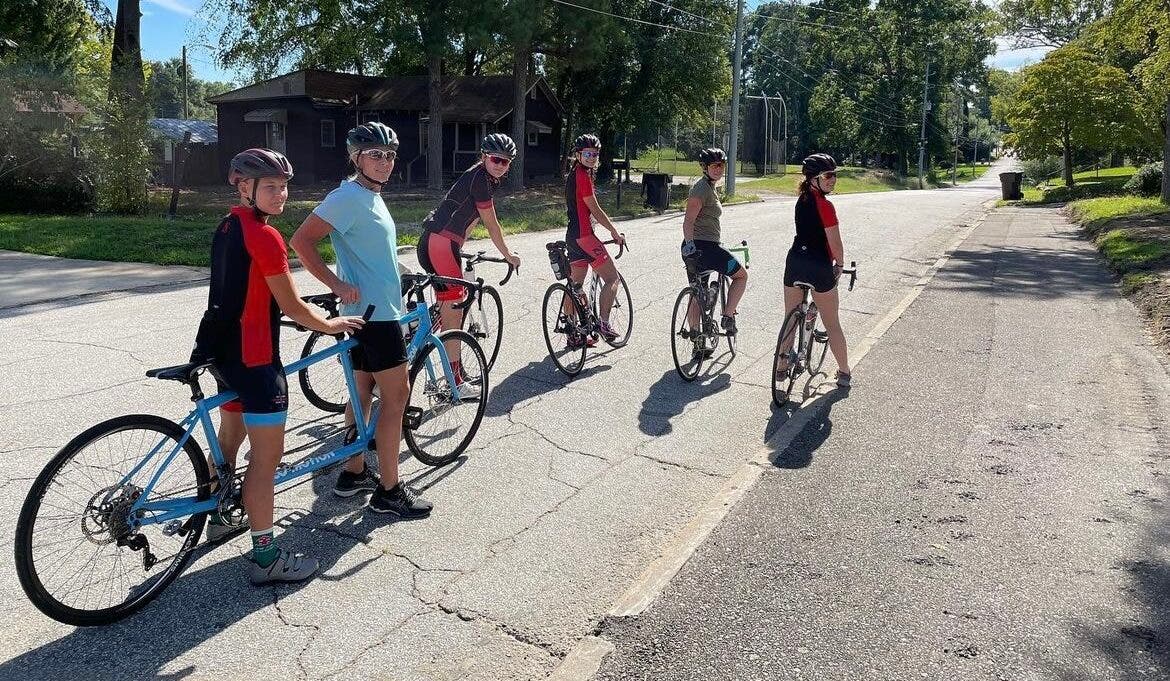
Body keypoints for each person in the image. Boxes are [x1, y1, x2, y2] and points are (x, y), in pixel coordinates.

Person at [192, 148, 365, 584]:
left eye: (284, 186)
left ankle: (218, 515)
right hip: (256, 360)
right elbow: (290, 303)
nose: (281, 194)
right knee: (266, 459)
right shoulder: (264, 236)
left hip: (222, 353)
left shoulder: (229, 225)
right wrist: (330, 324)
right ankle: (267, 559)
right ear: (244, 188)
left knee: (229, 442)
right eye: (270, 186)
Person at [290, 122, 433, 517]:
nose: (385, 162)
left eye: (389, 155)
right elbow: (301, 241)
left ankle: (353, 471)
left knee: (362, 393)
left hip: (374, 311)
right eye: (375, 155)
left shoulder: (370, 196)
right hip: (375, 317)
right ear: (356, 158)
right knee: (397, 397)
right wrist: (336, 284)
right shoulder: (348, 197)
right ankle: (389, 490)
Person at [417, 133, 522, 378]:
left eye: (505, 162)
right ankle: (454, 379)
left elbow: (467, 218)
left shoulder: (479, 176)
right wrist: (507, 254)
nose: (499, 165)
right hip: (441, 244)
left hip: (440, 243)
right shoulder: (480, 180)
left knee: (447, 305)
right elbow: (491, 224)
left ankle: (411, 345)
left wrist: (459, 248)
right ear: (484, 157)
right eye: (495, 159)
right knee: (454, 312)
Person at [780, 153, 851, 387]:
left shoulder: (801, 200)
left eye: (834, 175)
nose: (833, 180)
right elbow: (835, 244)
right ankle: (844, 372)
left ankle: (781, 368)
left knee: (790, 319)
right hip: (818, 266)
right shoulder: (826, 206)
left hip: (795, 262)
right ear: (814, 179)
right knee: (832, 323)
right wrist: (839, 266)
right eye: (828, 176)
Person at [680, 147, 748, 356]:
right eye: (714, 165)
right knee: (741, 275)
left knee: (696, 290)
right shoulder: (700, 190)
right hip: (704, 248)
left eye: (721, 165)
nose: (718, 169)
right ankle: (728, 316)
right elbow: (688, 220)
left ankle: (697, 342)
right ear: (705, 167)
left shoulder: (709, 187)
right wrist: (692, 246)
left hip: (702, 247)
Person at [563, 133, 626, 346]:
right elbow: (595, 209)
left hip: (573, 237)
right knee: (612, 278)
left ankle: (573, 331)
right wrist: (614, 232)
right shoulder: (582, 175)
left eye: (595, 154)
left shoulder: (575, 174)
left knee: (576, 286)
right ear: (578, 155)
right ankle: (604, 323)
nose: (592, 158)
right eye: (588, 154)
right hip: (585, 237)